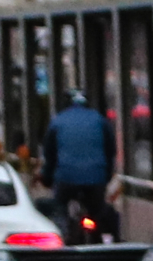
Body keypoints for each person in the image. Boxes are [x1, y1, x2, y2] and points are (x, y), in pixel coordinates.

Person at [42, 91, 118, 242]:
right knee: (97, 211)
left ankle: (63, 236)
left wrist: (47, 177)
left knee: (60, 208)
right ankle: (101, 237)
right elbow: (111, 151)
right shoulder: (100, 120)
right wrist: (106, 175)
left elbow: (49, 154)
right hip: (96, 177)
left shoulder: (58, 121)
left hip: (66, 177)